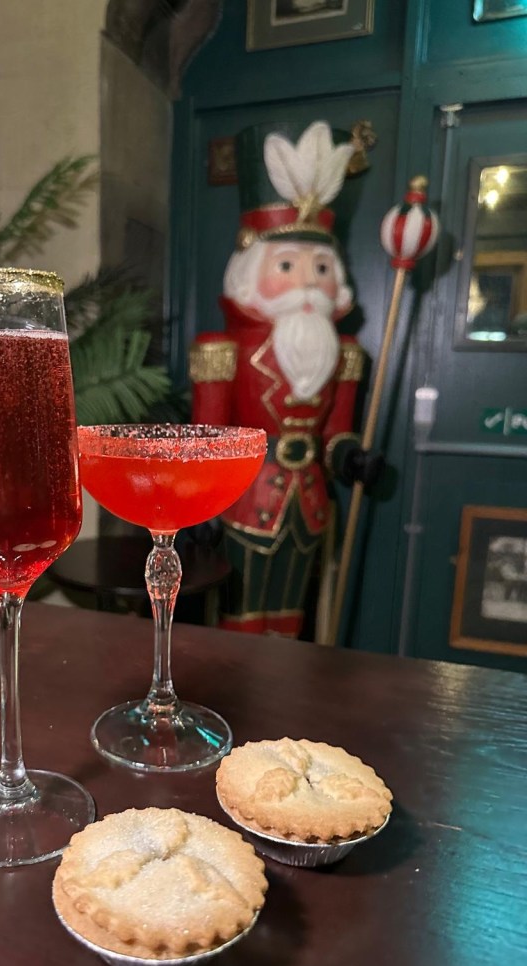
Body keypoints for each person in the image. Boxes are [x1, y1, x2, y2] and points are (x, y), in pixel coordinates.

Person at [189, 120, 381, 638]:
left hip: (309, 504)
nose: (306, 283)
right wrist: (201, 505)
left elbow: (336, 430)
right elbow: (208, 437)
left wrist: (350, 456)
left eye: (320, 268)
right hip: (245, 503)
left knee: (293, 619)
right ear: (251, 270)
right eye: (289, 265)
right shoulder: (222, 350)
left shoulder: (341, 352)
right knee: (242, 618)